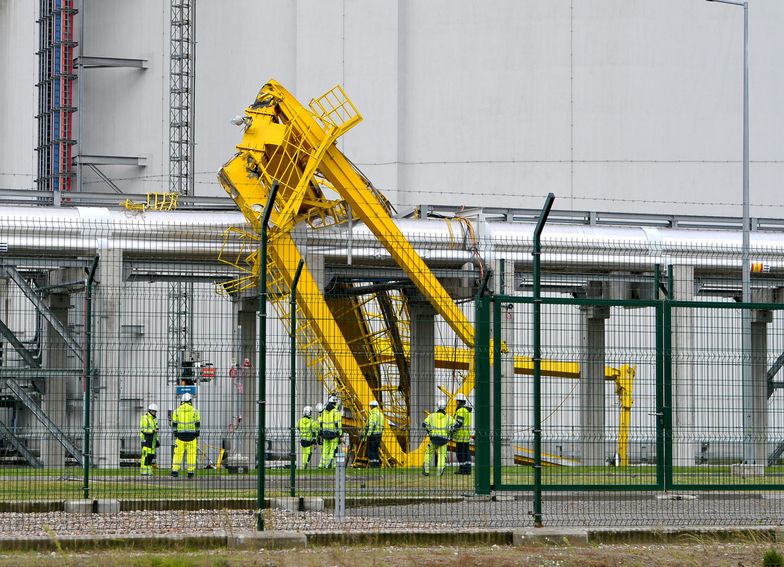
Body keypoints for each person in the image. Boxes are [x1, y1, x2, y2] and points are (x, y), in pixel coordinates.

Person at [171, 392, 201, 478]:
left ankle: (175, 471)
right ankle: (190, 472)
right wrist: (197, 434)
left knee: (177, 454)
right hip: (192, 436)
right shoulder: (195, 411)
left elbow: (174, 425)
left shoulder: (176, 411)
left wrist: (175, 434)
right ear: (190, 401)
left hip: (180, 436)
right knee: (191, 454)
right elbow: (197, 424)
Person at [423, 398, 454, 476]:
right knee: (442, 455)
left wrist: (429, 431)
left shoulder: (431, 416)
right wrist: (450, 431)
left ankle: (426, 471)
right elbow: (456, 425)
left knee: (428, 454)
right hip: (443, 439)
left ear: (437, 406)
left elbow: (424, 424)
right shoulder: (448, 417)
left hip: (433, 438)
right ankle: (439, 472)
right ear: (445, 407)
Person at [451, 393, 473, 474]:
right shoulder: (467, 411)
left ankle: (463, 470)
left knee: (460, 453)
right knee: (466, 452)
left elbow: (459, 423)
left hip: (460, 436)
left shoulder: (461, 410)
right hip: (466, 435)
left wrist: (451, 430)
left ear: (458, 402)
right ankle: (467, 469)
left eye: (456, 401)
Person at [318, 395, 342, 469]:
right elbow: (338, 423)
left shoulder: (324, 411)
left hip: (325, 433)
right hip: (333, 433)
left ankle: (322, 464)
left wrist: (320, 431)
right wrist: (340, 433)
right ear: (335, 402)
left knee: (325, 449)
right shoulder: (336, 412)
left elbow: (320, 422)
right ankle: (329, 463)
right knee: (333, 449)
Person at [362, 399, 384, 468]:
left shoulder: (373, 414)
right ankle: (376, 465)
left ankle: (374, 466)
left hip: (373, 435)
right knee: (376, 450)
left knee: (371, 451)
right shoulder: (381, 414)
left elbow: (371, 425)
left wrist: (368, 434)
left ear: (371, 406)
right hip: (379, 435)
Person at [139, 403, 159, 476]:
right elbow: (143, 429)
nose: (154, 412)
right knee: (146, 456)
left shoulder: (154, 419)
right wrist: (152, 431)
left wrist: (157, 440)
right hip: (146, 439)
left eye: (155, 411)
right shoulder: (145, 418)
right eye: (153, 411)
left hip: (152, 440)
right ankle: (144, 471)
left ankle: (148, 471)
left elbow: (156, 430)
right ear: (150, 410)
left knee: (150, 456)